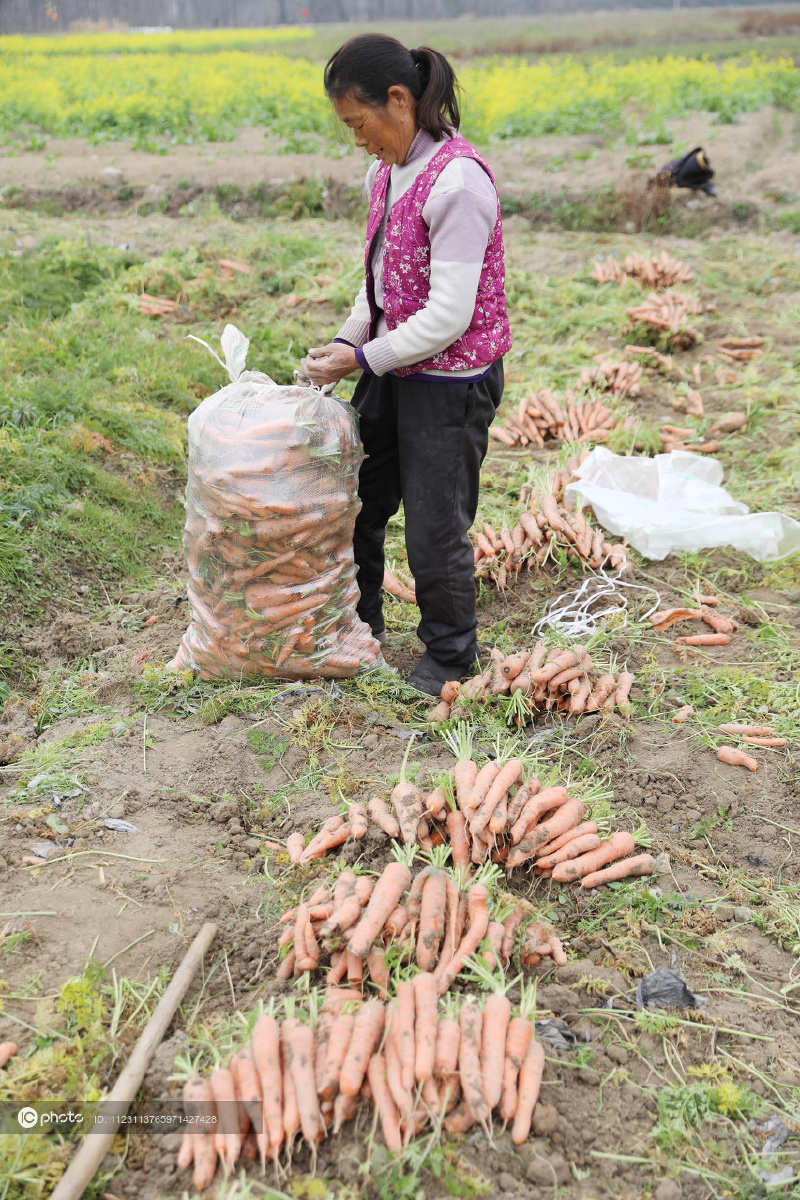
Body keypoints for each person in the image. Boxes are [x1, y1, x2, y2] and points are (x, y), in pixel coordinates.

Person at [300, 32, 511, 697]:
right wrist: (343, 346)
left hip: (450, 383)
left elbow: (448, 315)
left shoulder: (458, 182)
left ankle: (450, 654)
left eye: (359, 123)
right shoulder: (385, 173)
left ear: (399, 99)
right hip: (394, 367)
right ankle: (357, 627)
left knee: (433, 526)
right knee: (357, 503)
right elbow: (379, 287)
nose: (357, 140)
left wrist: (361, 356)